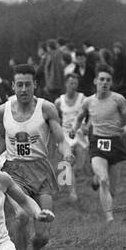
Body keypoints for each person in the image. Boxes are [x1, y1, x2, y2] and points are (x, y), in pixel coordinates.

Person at [0, 63, 70, 250]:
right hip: (14, 170)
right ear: (13, 86)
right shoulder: (2, 110)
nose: (24, 89)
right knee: (21, 216)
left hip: (41, 170)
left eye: (28, 84)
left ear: (35, 85)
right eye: (19, 85)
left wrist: (67, 153)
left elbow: (60, 138)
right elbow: (2, 138)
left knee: (43, 233)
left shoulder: (46, 108)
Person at [77, 64, 126, 222]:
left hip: (115, 142)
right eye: (102, 79)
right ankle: (109, 218)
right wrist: (78, 128)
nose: (104, 82)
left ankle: (96, 179)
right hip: (98, 143)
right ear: (96, 81)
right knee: (104, 180)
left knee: (112, 189)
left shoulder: (118, 99)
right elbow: (79, 118)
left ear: (111, 83)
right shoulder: (88, 101)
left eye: (108, 80)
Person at [55, 70, 87, 203]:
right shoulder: (59, 101)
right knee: (67, 162)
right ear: (65, 84)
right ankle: (72, 192)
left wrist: (87, 125)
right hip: (65, 135)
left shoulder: (83, 99)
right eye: (70, 83)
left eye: (75, 83)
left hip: (79, 134)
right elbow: (54, 119)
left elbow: (90, 114)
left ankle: (66, 177)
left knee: (79, 165)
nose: (72, 85)